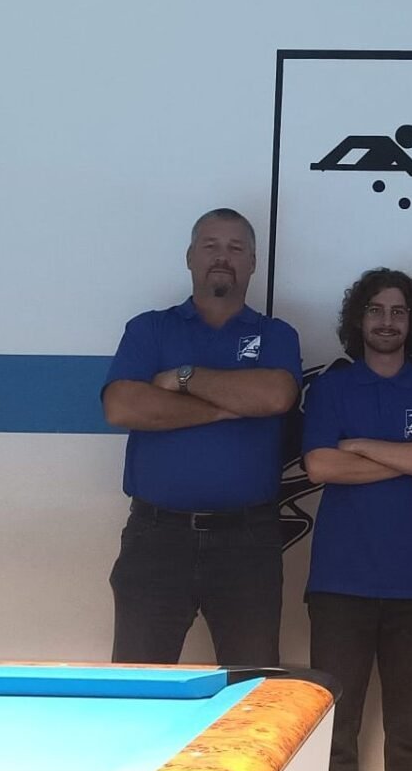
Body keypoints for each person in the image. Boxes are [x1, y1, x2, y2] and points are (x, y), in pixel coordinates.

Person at [102, 207, 301, 666]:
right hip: (156, 538)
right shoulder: (149, 328)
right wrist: (228, 407)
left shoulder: (276, 334)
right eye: (210, 246)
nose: (222, 257)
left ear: (253, 263)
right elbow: (122, 406)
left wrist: (183, 377)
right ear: (190, 257)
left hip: (248, 542)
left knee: (251, 691)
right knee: (139, 688)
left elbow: (275, 395)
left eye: (236, 248)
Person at [302, 268, 412, 771]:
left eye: (398, 311)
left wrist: (359, 446)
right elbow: (321, 466)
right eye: (375, 310)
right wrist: (410, 456)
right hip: (339, 587)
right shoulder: (332, 388)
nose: (386, 321)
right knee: (335, 733)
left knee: (409, 737)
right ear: (359, 319)